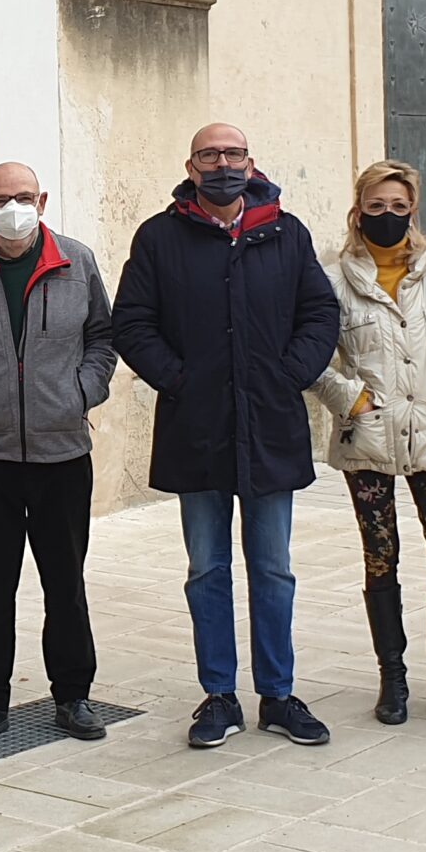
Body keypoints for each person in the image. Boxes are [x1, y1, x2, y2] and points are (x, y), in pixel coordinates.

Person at [115, 124, 341, 749]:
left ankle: (279, 695)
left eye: (232, 154)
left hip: (269, 425)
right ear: (191, 167)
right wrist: (178, 379)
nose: (222, 164)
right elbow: (131, 322)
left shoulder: (286, 232)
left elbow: (320, 312)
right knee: (207, 569)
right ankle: (218, 695)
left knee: (273, 569)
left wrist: (290, 373)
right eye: (209, 155)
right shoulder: (160, 237)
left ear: (250, 162)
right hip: (197, 428)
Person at [0, 162, 118, 747]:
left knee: (65, 581)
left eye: (25, 196)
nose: (15, 207)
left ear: (43, 201)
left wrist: (81, 392)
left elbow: (102, 338)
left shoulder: (77, 262)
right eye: (2, 199)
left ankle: (73, 695)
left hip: (63, 453)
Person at [312, 161, 426, 727]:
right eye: (376, 206)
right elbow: (313, 355)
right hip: (367, 437)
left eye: (398, 206)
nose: (387, 215)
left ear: (413, 210)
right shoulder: (332, 280)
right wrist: (352, 399)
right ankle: (392, 677)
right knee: (380, 560)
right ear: (358, 210)